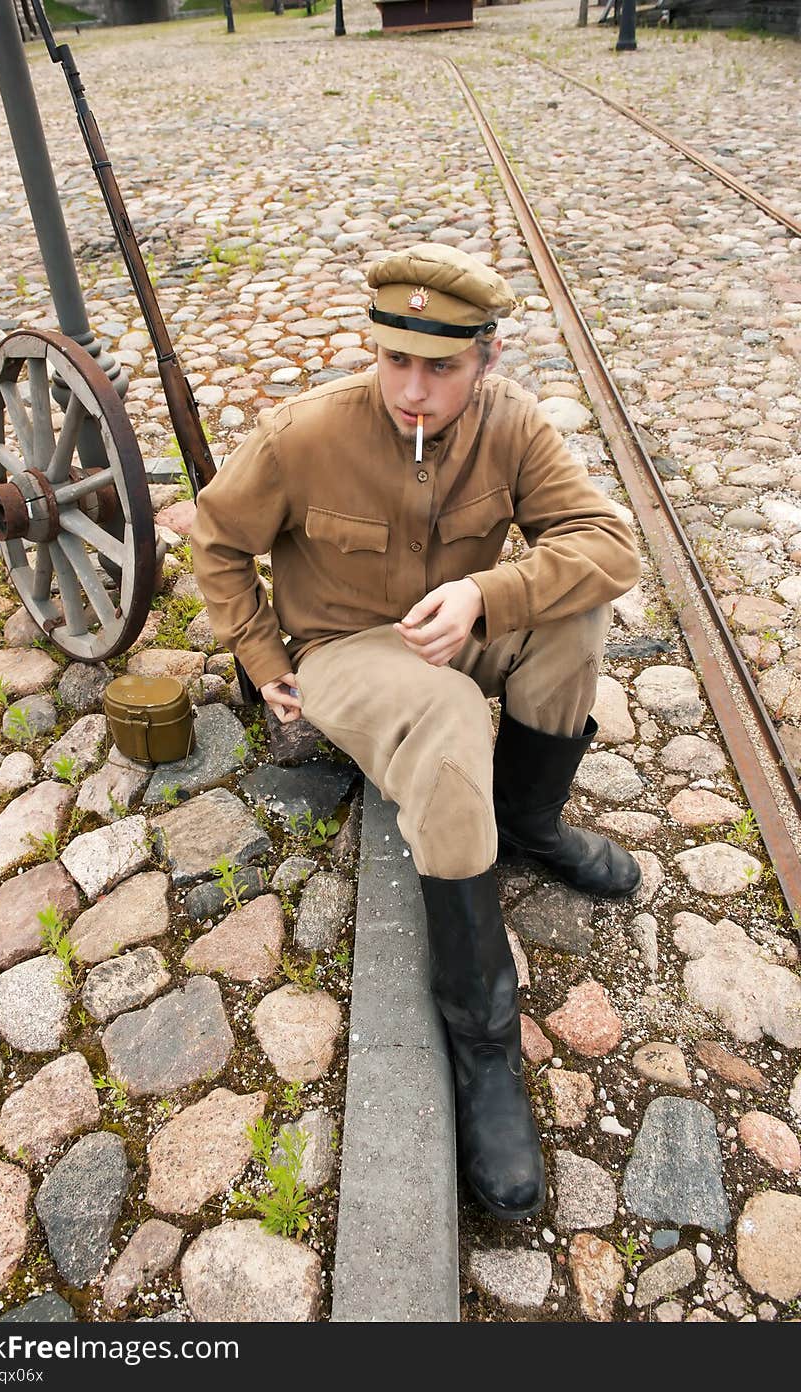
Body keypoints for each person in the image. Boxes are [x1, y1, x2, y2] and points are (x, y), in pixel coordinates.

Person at [190, 243, 642, 1222]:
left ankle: (528, 822)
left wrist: (488, 592)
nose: (413, 388)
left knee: (572, 615)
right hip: (349, 646)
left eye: (441, 366)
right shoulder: (304, 434)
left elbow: (610, 547)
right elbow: (216, 542)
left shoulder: (511, 427)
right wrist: (268, 663)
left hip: (456, 624)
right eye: (396, 359)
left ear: (486, 358)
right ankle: (482, 1033)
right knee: (441, 723)